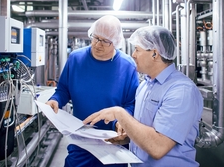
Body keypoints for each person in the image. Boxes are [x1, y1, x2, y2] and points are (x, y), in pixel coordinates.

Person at [83, 26, 204, 167]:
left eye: (137, 50)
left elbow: (158, 147)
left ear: (154, 54)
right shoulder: (145, 86)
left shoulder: (181, 91)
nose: (133, 55)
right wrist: (127, 138)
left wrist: (119, 113)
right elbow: (148, 131)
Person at [46, 15, 139, 167]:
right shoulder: (76, 59)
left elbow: (131, 103)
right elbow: (63, 89)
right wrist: (55, 100)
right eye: (95, 37)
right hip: (81, 140)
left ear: (115, 42)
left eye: (105, 41)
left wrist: (119, 123)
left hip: (114, 142)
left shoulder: (127, 66)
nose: (97, 44)